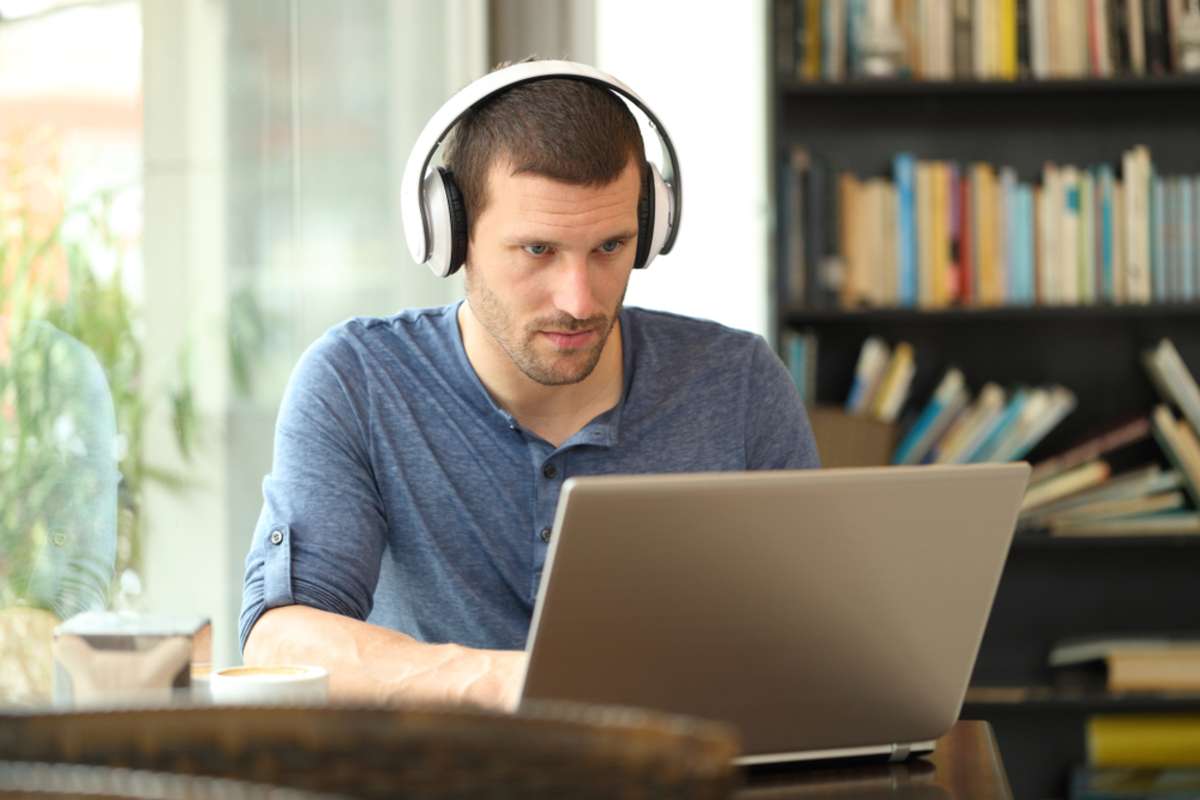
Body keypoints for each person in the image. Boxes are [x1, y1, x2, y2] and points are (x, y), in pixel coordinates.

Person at [239, 60, 820, 711]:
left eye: (610, 246)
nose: (578, 300)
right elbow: (280, 643)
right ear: (451, 236)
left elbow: (815, 637)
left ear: (649, 230)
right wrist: (502, 681)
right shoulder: (358, 382)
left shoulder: (738, 384)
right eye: (538, 251)